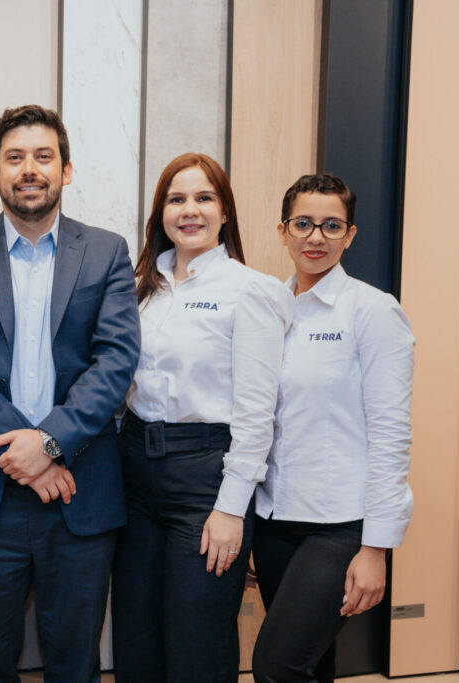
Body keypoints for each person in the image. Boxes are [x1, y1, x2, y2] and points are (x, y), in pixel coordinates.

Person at [0, 104, 140, 682]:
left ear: (66, 169)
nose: (29, 169)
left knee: (75, 664)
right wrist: (30, 454)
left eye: (43, 156)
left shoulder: (106, 251)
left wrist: (49, 444)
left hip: (80, 493)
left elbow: (116, 360)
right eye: (14, 158)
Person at [111, 153, 293, 682]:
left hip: (205, 480)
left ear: (224, 212)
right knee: (136, 638)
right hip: (134, 470)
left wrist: (232, 508)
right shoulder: (141, 285)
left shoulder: (250, 290)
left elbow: (260, 411)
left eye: (204, 198)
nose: (189, 210)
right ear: (160, 212)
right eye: (176, 199)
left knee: (198, 642)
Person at [251, 173, 414, 683]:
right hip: (275, 518)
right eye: (303, 224)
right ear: (282, 231)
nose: (315, 237)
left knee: (275, 667)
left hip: (341, 526)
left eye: (331, 226)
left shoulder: (373, 311)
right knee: (310, 664)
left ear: (351, 235)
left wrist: (376, 548)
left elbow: (391, 435)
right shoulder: (267, 309)